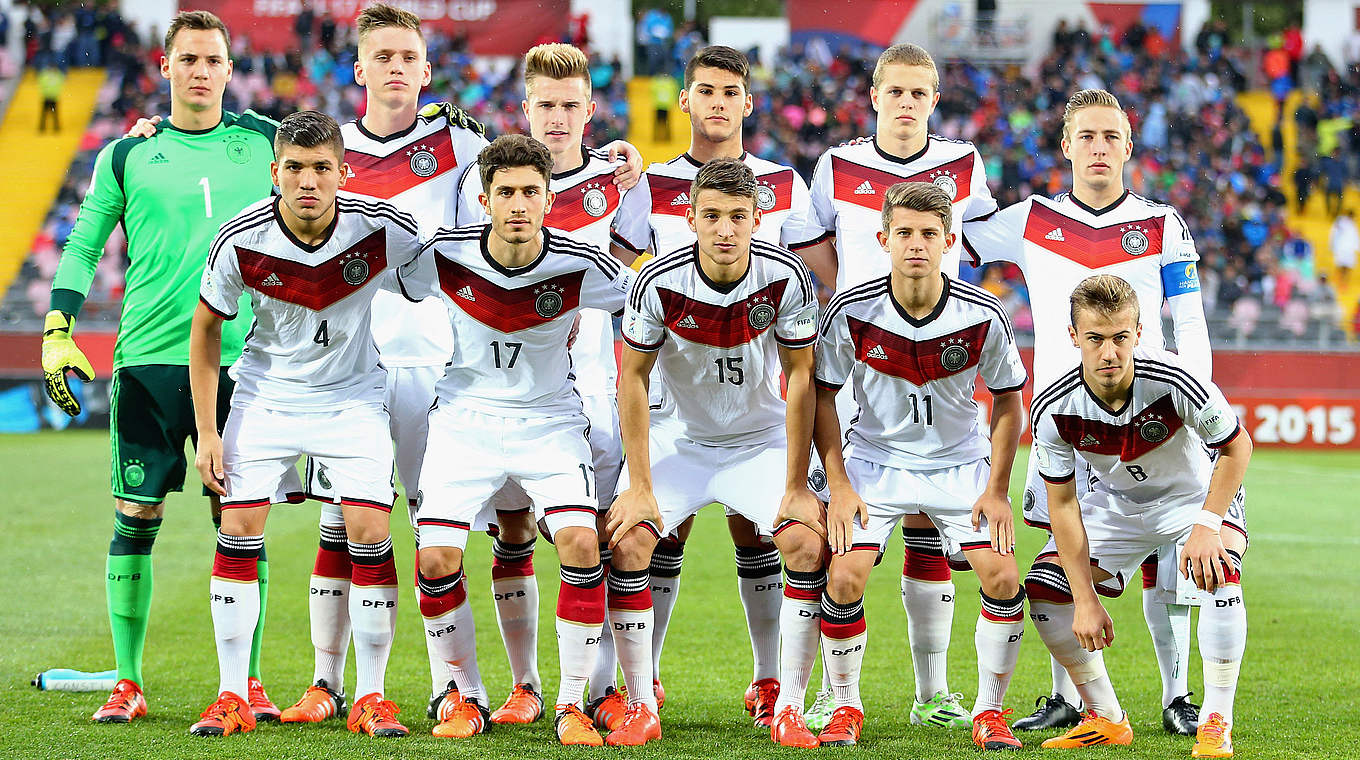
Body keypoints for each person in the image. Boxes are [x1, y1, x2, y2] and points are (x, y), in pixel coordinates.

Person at [276, 9, 643, 729]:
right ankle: (334, 682)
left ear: (425, 68)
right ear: (357, 67)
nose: (393, 68)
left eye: (406, 56)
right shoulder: (325, 148)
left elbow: (538, 166)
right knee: (340, 519)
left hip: (441, 361)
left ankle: (543, 687)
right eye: (379, 55)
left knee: (455, 531)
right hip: (347, 364)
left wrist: (616, 156)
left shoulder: (460, 140)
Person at [40, 10, 280, 726]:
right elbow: (82, 245)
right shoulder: (127, 154)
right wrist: (58, 327)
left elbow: (341, 175)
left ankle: (252, 682)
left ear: (230, 71)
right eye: (189, 59)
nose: (201, 70)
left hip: (244, 361)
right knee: (136, 514)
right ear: (165, 67)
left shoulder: (265, 144)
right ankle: (130, 683)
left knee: (238, 523)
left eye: (214, 59)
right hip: (146, 359)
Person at [963, 89, 1213, 734]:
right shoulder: (1028, 220)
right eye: (1087, 137)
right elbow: (948, 235)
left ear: (1128, 147)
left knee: (1169, 557)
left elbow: (1188, 316)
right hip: (1063, 423)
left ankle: (1177, 694)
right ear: (1066, 146)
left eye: (1111, 137)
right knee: (1057, 554)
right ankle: (1069, 696)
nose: (1099, 149)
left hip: (1152, 418)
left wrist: (1200, 400)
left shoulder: (1162, 223)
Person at [187, 110, 424, 738]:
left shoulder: (381, 230)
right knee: (238, 526)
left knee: (371, 527)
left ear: (344, 173)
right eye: (294, 167)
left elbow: (450, 264)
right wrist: (208, 432)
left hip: (352, 398)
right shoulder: (240, 240)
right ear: (275, 173)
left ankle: (371, 696)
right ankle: (232, 693)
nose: (308, 181)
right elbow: (206, 331)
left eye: (322, 167)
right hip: (265, 396)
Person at [399, 134, 635, 746]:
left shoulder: (582, 262)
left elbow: (648, 305)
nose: (518, 204)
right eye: (505, 192)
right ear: (483, 199)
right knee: (435, 558)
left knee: (582, 543)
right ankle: (462, 696)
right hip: (463, 418)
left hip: (550, 419)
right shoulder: (443, 255)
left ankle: (571, 704)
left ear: (549, 197)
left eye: (531, 191)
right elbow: (383, 280)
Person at [610, 44, 821, 728]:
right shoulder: (654, 185)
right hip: (678, 410)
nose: (720, 102)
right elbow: (614, 272)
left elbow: (821, 281)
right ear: (687, 100)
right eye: (707, 90)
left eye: (732, 91)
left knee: (769, 536)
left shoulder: (785, 186)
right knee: (646, 537)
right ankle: (642, 694)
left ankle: (777, 691)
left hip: (756, 415)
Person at [794, 42, 999, 732]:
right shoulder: (837, 164)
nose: (907, 102)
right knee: (841, 532)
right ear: (874, 96)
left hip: (936, 357)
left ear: (933, 100)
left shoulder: (964, 165)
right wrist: (851, 293)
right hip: (857, 355)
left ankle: (933, 692)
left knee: (925, 520)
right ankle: (833, 690)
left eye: (920, 92)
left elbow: (985, 244)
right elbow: (817, 245)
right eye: (896, 91)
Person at [450, 41, 648, 730]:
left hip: (593, 390)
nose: (558, 119)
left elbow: (626, 289)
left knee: (595, 539)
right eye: (546, 105)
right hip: (509, 392)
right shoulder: (493, 182)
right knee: (509, 530)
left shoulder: (620, 183)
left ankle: (600, 691)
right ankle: (527, 685)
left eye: (570, 106)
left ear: (590, 110)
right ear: (525, 107)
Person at [812, 182, 1027, 750]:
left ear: (949, 240)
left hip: (960, 466)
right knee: (844, 576)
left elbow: (1009, 400)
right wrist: (837, 483)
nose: (916, 244)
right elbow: (822, 396)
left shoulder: (984, 314)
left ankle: (989, 710)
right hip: (875, 462)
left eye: (929, 233)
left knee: (1004, 578)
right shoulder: (850, 311)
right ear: (883, 239)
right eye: (904, 232)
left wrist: (998, 489)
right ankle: (844, 704)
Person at [1028, 274, 1250, 759]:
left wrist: (1207, 524)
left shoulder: (1175, 379)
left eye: (1120, 338)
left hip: (1194, 498)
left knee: (1220, 568)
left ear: (1138, 333)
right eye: (1095, 338)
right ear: (1074, 337)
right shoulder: (1053, 407)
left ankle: (1217, 720)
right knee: (1046, 587)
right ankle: (1106, 718)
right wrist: (1085, 599)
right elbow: (1063, 505)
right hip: (1119, 505)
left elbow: (1236, 447)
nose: (1109, 352)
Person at [1329, 209, 1357, 287]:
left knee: (1348, 267)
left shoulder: (1353, 225)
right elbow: (1334, 234)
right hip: (1341, 248)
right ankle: (1338, 281)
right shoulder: (1340, 222)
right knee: (1340, 266)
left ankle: (1344, 283)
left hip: (1350, 249)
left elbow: (1355, 238)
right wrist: (1332, 245)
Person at [37, 61, 63, 132]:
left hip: (53, 97)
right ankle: (42, 128)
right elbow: (42, 84)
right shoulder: (48, 75)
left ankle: (56, 128)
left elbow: (59, 85)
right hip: (47, 97)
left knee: (54, 115)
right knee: (44, 114)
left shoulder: (56, 75)